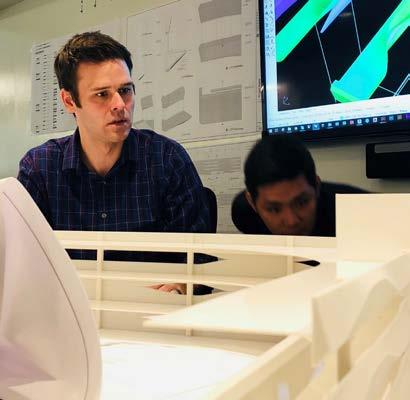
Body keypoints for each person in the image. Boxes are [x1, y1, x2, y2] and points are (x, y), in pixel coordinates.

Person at [18, 31, 211, 294]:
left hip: (156, 307)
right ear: (69, 101)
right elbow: (24, 267)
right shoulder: (40, 168)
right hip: (73, 310)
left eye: (125, 90)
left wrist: (182, 283)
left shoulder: (167, 159)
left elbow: (201, 261)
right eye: (102, 94)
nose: (120, 105)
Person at [232, 135, 367, 237]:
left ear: (317, 187)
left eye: (302, 202)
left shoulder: (361, 212)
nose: (291, 221)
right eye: (274, 209)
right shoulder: (244, 215)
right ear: (252, 203)